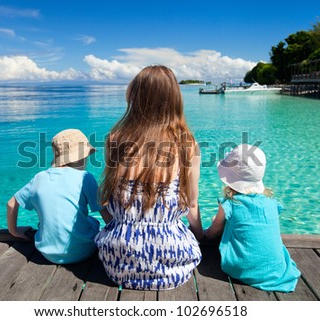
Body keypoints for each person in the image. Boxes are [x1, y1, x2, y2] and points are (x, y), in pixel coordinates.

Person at [95, 65, 204, 290]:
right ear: (174, 98)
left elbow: (106, 198)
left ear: (134, 95)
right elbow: (192, 204)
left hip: (118, 263)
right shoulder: (187, 144)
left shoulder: (115, 138)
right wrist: (201, 236)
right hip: (174, 265)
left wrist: (122, 230)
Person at [204, 144, 301, 292]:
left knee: (217, 221)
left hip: (240, 268)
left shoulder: (230, 203)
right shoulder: (272, 203)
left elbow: (214, 231)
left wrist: (205, 235)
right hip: (275, 269)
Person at [7, 129, 112, 264]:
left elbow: (11, 203)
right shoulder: (85, 177)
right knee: (94, 221)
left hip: (47, 254)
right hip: (83, 252)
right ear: (81, 157)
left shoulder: (39, 178)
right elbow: (104, 212)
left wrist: (13, 231)